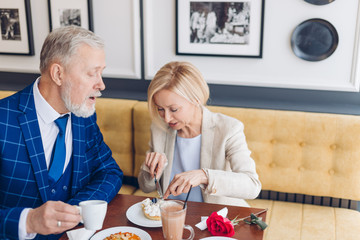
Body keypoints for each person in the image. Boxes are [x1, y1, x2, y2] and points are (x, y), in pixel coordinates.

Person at [0, 26, 123, 239]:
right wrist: (28, 220)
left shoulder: (83, 115)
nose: (101, 84)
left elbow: (109, 172)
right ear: (58, 74)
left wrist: (75, 210)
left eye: (101, 72)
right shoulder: (3, 120)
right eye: (92, 73)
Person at [138, 61, 261, 207]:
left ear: (196, 99)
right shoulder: (159, 128)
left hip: (216, 216)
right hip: (175, 213)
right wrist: (150, 168)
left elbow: (252, 185)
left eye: (174, 109)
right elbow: (146, 187)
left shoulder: (229, 129)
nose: (166, 118)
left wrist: (204, 176)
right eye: (160, 109)